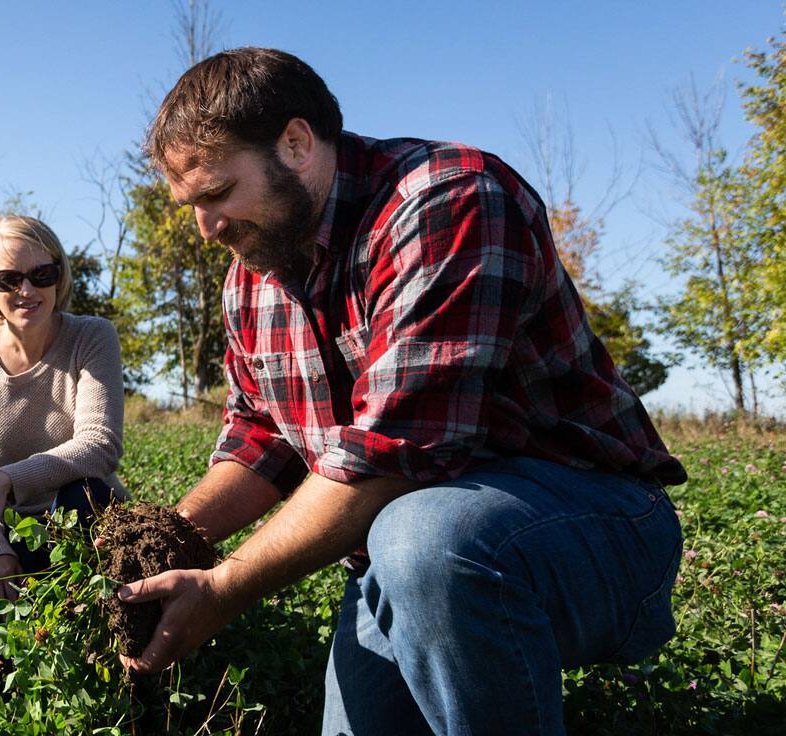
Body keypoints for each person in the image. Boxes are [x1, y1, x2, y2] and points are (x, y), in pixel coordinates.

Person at [114, 48, 687, 735]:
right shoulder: (253, 277)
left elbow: (395, 455)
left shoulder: (446, 201)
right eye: (191, 205)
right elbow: (259, 440)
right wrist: (163, 546)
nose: (205, 228)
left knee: (422, 536)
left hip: (593, 525)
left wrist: (224, 589)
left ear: (296, 144)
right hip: (403, 555)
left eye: (216, 195)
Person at [0, 214, 127, 659]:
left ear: (59, 274)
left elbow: (100, 444)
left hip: (82, 516)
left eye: (42, 274)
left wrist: (4, 479)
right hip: (3, 523)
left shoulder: (92, 336)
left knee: (87, 494)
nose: (27, 291)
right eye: (10, 279)